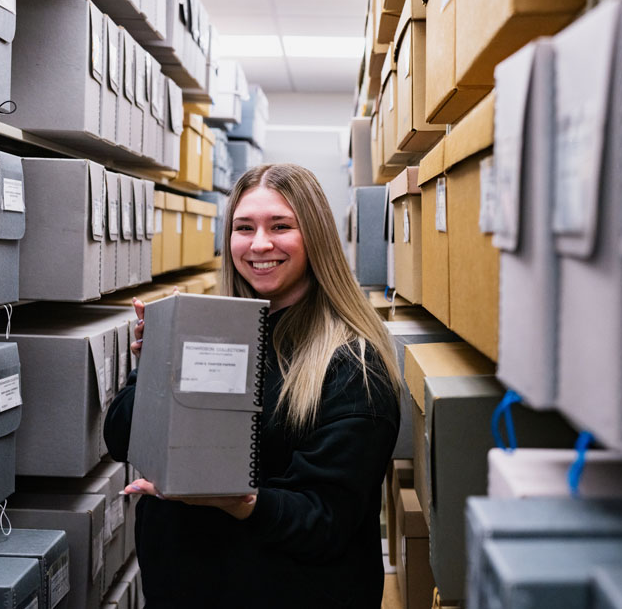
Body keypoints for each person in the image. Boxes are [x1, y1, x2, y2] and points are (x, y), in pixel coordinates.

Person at [104, 163, 402, 608]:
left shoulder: (352, 365)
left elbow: (325, 521)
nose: (259, 244)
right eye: (244, 228)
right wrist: (156, 371)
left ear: (316, 237)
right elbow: (122, 438)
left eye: (280, 226)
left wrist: (242, 502)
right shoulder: (205, 331)